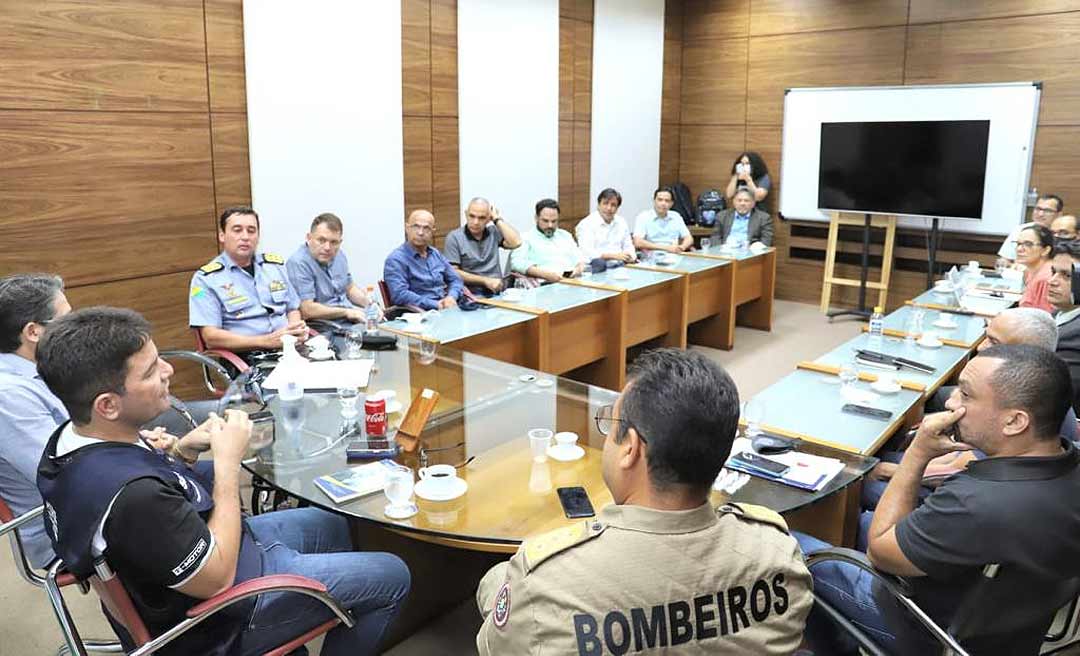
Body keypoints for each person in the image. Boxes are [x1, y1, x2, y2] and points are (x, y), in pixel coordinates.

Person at [36, 307, 410, 656]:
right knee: (393, 576)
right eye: (150, 371)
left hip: (191, 559)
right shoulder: (134, 496)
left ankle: (305, 619)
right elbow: (215, 579)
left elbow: (153, 509)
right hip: (215, 619)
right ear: (107, 405)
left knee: (329, 524)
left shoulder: (69, 442)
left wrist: (182, 450)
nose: (167, 370)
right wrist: (228, 462)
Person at [475, 349, 813, 654]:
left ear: (630, 448)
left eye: (612, 424)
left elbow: (496, 644)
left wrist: (501, 583)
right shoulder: (780, 555)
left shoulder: (544, 581)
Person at [798, 344, 1080, 655]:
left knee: (791, 546)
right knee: (859, 518)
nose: (951, 402)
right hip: (1013, 631)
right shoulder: (1068, 462)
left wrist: (917, 453)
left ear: (1015, 421)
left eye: (966, 395)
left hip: (927, 632)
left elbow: (879, 550)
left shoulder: (978, 502)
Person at [865, 308, 1073, 512]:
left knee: (865, 484)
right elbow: (961, 455)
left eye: (994, 343)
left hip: (962, 502)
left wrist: (900, 465)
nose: (981, 347)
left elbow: (955, 471)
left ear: (1026, 355)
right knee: (884, 457)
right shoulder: (1043, 392)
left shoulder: (1022, 407)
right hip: (971, 485)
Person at [0, 274, 72, 568]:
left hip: (94, 498)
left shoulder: (38, 368)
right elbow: (63, 475)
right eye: (67, 319)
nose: (75, 326)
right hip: (66, 527)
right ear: (33, 332)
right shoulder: (8, 397)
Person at [189, 207, 307, 358]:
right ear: (222, 236)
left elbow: (293, 308)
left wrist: (293, 333)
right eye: (237, 230)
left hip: (289, 351)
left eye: (251, 231)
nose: (245, 237)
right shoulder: (205, 279)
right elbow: (210, 337)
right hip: (248, 359)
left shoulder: (274, 266)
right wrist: (265, 341)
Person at [285, 212, 383, 336]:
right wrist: (346, 312)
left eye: (334, 242)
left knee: (388, 338)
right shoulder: (298, 263)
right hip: (325, 329)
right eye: (321, 240)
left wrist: (369, 304)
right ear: (309, 238)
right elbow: (307, 309)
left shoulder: (339, 255)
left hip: (350, 323)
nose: (327, 247)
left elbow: (350, 288)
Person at [384, 209, 463, 310]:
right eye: (416, 226)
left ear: (432, 232)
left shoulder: (435, 254)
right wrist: (436, 304)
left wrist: (452, 297)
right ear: (407, 228)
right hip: (419, 314)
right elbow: (400, 294)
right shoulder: (395, 259)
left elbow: (456, 279)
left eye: (426, 228)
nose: (420, 233)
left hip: (446, 309)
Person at [443, 197, 522, 295]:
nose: (476, 222)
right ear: (466, 214)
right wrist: (485, 281)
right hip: (470, 294)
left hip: (497, 291)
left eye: (482, 218)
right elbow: (453, 272)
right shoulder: (454, 237)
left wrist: (497, 219)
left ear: (489, 218)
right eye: (472, 216)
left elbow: (516, 242)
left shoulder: (494, 232)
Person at [509, 198, 586, 283]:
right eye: (545, 221)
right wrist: (545, 274)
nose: (550, 225)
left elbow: (580, 259)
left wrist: (578, 269)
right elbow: (516, 263)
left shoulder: (565, 235)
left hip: (572, 282)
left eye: (554, 221)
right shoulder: (525, 238)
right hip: (544, 284)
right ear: (536, 218)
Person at [1049, 240, 1080, 405]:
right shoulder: (1059, 313)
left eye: (1066, 275)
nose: (1052, 281)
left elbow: (1053, 394)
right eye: (1053, 272)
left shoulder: (1075, 336)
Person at [575, 188, 636, 264]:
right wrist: (613, 256)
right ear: (598, 205)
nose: (609, 208)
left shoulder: (621, 222)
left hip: (622, 266)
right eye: (605, 203)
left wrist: (631, 257)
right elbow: (587, 254)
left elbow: (629, 247)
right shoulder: (586, 224)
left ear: (617, 208)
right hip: (595, 268)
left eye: (613, 205)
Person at [998, 193, 1063, 262]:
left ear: (1059, 215)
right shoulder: (1020, 230)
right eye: (1038, 209)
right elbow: (1005, 259)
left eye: (1047, 211)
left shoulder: (1062, 234)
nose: (1040, 214)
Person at [633, 187, 693, 254]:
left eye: (667, 201)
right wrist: (666, 248)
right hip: (651, 257)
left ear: (671, 204)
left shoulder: (676, 216)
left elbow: (689, 238)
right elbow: (637, 242)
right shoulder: (643, 217)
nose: (663, 203)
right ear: (654, 201)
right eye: (660, 200)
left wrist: (682, 247)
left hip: (674, 255)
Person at [1017, 224, 1055, 313]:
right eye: (1018, 244)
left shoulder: (1046, 279)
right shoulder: (1029, 272)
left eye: (1028, 244)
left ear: (1045, 250)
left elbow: (1044, 321)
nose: (1019, 249)